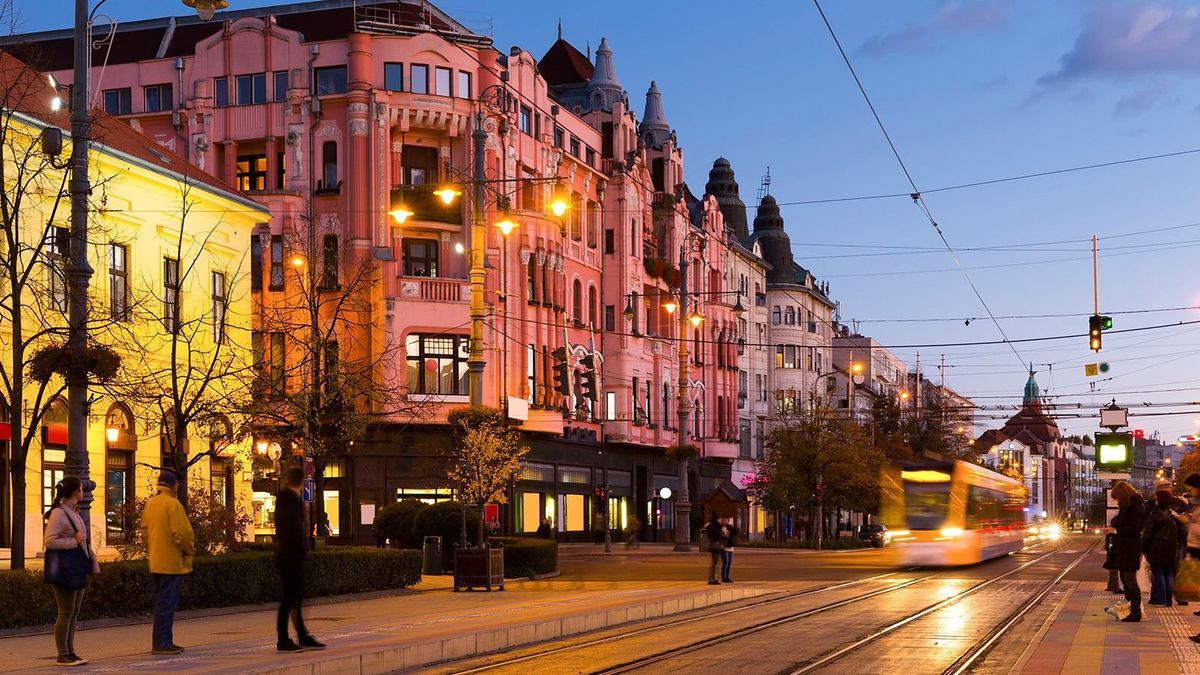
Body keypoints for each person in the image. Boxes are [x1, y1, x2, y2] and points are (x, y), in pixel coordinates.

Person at [43, 477, 100, 667]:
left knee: (73, 612)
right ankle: (63, 653)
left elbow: (83, 541)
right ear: (76, 491)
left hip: (76, 568)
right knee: (65, 612)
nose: (83, 492)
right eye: (81, 489)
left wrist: (93, 562)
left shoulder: (74, 512)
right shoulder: (59, 514)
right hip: (64, 569)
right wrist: (73, 542)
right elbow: (49, 541)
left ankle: (71, 651)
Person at [141, 471, 195, 654]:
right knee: (168, 604)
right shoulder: (173, 504)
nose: (178, 488)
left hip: (155, 561)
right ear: (172, 485)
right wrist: (188, 551)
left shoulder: (150, 504)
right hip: (171, 563)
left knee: (160, 604)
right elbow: (183, 533)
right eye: (177, 485)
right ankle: (162, 643)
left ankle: (164, 640)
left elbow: (144, 531)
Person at [276, 466, 325, 653]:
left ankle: (302, 635)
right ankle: (283, 639)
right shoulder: (290, 500)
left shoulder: (287, 499)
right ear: (301, 481)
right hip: (291, 556)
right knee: (290, 598)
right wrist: (303, 550)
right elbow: (294, 529)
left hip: (288, 554)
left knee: (295, 598)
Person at [1109, 480, 1148, 622]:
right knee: (1125, 578)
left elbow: (1135, 528)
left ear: (1122, 494)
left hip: (1131, 547)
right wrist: (1115, 526)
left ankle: (1136, 611)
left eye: (1117, 497)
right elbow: (1118, 521)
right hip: (1124, 546)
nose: (1117, 501)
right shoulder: (1128, 506)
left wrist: (1118, 529)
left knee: (1130, 579)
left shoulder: (1135, 506)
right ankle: (1128, 608)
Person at [1144, 490, 1178, 607]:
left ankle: (1161, 600)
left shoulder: (1155, 514)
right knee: (1168, 574)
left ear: (1158, 499)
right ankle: (1168, 601)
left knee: (1158, 574)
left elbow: (1147, 534)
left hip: (1156, 549)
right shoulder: (1172, 514)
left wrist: (1145, 549)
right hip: (1171, 549)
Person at [705, 512, 725, 585]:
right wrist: (722, 534)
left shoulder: (710, 525)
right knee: (715, 563)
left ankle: (713, 578)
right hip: (715, 544)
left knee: (715, 562)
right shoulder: (716, 526)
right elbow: (719, 535)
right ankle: (712, 578)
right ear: (717, 519)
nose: (720, 520)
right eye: (720, 519)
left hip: (713, 544)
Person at [721, 516, 739, 583]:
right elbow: (722, 536)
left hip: (730, 546)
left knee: (729, 563)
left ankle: (727, 577)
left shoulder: (730, 527)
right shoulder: (721, 528)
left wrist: (729, 526)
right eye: (724, 520)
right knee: (725, 562)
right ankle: (723, 577)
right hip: (724, 547)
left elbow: (735, 532)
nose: (725, 521)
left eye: (727, 520)